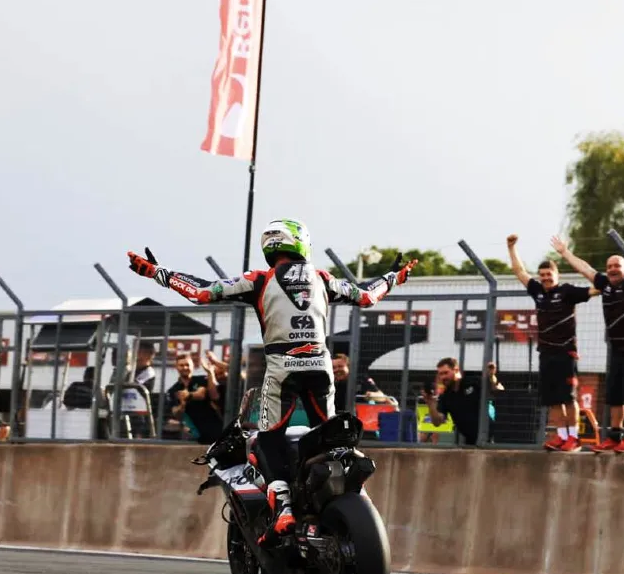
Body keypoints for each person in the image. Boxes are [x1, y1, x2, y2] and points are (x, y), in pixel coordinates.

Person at [128, 220, 417, 539]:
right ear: (301, 243)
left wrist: (157, 272)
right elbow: (366, 296)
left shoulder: (260, 279)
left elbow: (202, 292)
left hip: (283, 367)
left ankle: (284, 508)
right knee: (329, 435)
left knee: (268, 438)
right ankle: (354, 497)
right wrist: (394, 277)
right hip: (321, 368)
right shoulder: (323, 278)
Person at [551, 215, 624, 454]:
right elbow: (586, 269)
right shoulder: (605, 285)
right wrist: (565, 253)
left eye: (617, 266)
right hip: (617, 348)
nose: (611, 269)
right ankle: (615, 437)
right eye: (609, 266)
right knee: (614, 395)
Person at [506, 233, 594, 452]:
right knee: (552, 399)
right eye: (542, 274)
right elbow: (519, 271)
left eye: (549, 274)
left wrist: (608, 281)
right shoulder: (537, 291)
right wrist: (511, 247)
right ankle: (561, 436)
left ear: (557, 274)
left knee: (568, 397)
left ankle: (574, 437)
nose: (545, 277)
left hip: (566, 353)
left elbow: (596, 289)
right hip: (545, 353)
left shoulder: (566, 291)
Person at [420, 357, 503, 445]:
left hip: (490, 437)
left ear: (456, 370)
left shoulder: (472, 382)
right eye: (440, 374)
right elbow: (437, 422)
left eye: (446, 373)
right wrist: (430, 404)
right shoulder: (445, 396)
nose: (443, 377)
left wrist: (491, 376)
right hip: (470, 442)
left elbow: (497, 390)